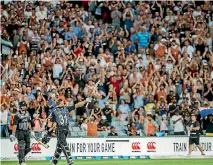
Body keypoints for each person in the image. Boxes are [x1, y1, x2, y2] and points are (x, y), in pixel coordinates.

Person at [50, 99, 74, 165]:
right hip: (62, 129)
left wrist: (86, 101)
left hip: (63, 129)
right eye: (63, 102)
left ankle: (54, 161)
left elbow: (53, 123)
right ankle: (69, 160)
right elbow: (77, 105)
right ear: (60, 103)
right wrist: (86, 100)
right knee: (63, 144)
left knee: (60, 145)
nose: (64, 102)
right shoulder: (64, 109)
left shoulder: (55, 111)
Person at [9, 101, 34, 165]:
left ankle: (20, 156)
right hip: (20, 131)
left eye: (25, 105)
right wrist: (13, 134)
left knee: (28, 148)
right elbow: (15, 125)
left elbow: (29, 122)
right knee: (22, 146)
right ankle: (22, 161)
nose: (24, 107)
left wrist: (31, 131)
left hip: (27, 131)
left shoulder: (28, 113)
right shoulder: (17, 115)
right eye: (22, 106)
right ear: (20, 106)